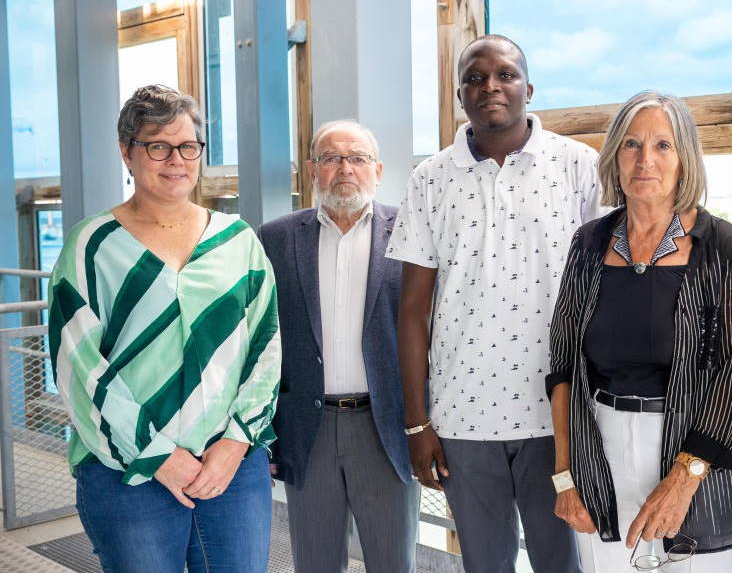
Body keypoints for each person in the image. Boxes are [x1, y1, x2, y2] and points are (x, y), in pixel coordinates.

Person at [387, 34, 603, 573]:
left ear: (529, 88)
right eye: (475, 78)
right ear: (460, 95)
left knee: (564, 563)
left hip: (558, 417)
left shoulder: (580, 167)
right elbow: (412, 310)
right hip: (461, 419)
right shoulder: (430, 179)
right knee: (484, 565)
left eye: (505, 75)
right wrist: (418, 424)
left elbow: (609, 291)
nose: (491, 86)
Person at [47, 84, 280, 572]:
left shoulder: (238, 240)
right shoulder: (90, 246)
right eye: (157, 145)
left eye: (187, 146)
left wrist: (236, 443)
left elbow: (266, 347)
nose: (175, 159)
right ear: (127, 154)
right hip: (125, 472)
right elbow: (79, 369)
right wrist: (158, 455)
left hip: (230, 469)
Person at [546, 91, 732, 573]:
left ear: (685, 159)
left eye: (663, 145)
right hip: (598, 450)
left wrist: (685, 478)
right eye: (631, 145)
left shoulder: (719, 244)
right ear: (615, 158)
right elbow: (561, 365)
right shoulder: (589, 242)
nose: (646, 160)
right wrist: (564, 475)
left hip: (693, 453)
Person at [258, 120, 418, 572]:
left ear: (378, 170)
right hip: (307, 430)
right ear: (312, 170)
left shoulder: (412, 232)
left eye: (358, 158)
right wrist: (266, 435)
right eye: (331, 158)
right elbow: (260, 341)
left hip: (386, 428)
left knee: (393, 562)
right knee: (315, 563)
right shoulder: (275, 238)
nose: (345, 167)